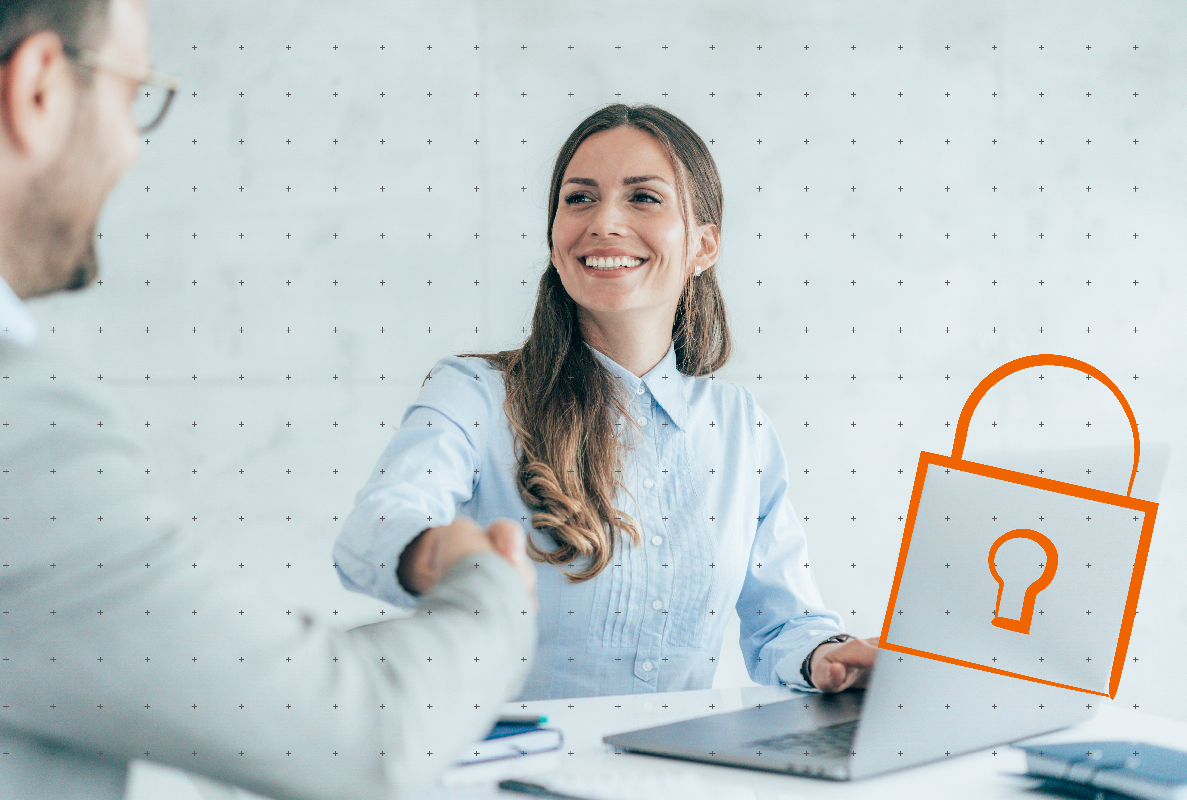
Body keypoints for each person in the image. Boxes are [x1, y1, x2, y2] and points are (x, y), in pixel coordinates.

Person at [0, 1, 537, 798]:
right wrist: (488, 588)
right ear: (37, 88)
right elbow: (366, 738)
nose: (133, 147)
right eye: (134, 96)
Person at [335, 103, 878, 701]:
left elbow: (785, 625)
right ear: (554, 238)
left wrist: (828, 657)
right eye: (579, 198)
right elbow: (370, 533)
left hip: (677, 755)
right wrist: (441, 553)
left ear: (703, 246)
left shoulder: (738, 425)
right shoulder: (474, 393)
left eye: (643, 197)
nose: (604, 222)